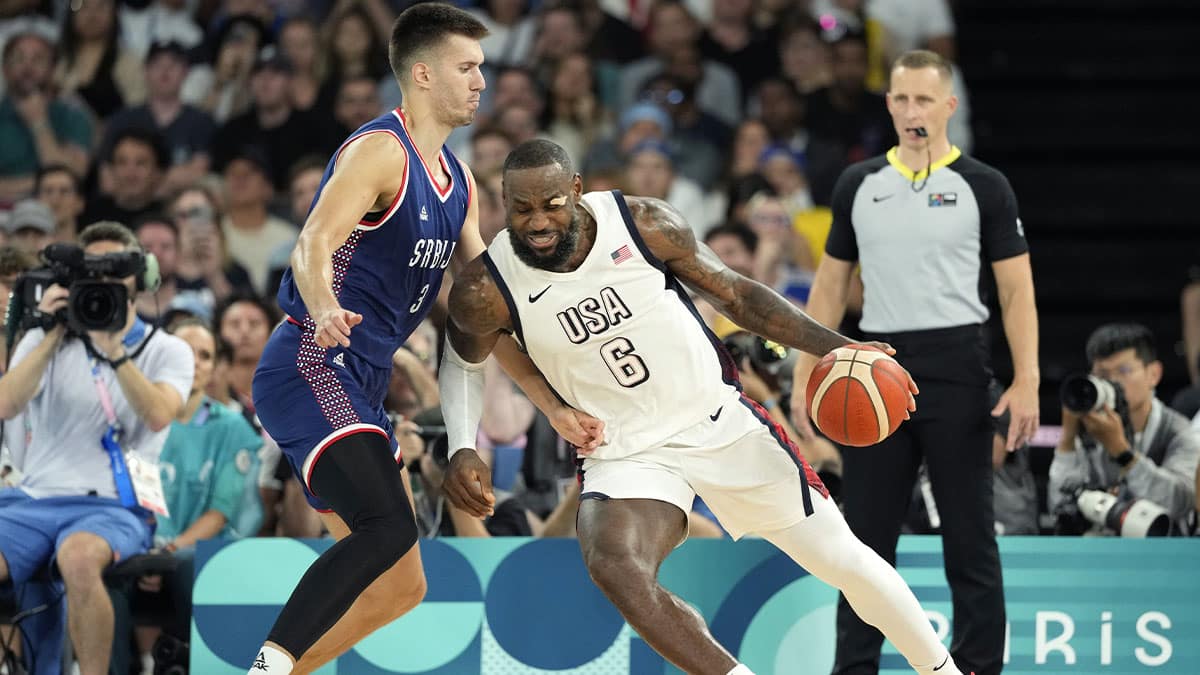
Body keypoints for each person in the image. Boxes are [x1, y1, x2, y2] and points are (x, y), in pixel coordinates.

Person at [439, 138, 965, 675]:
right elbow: (463, 361)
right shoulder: (487, 285)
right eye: (521, 208)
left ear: (576, 190)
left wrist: (839, 347)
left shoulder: (642, 223)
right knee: (614, 566)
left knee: (842, 560)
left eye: (551, 203)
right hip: (625, 448)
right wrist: (462, 445)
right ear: (503, 201)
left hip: (717, 421)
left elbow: (738, 295)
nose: (537, 221)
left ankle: (943, 671)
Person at [245, 6, 599, 673]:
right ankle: (269, 664)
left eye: (484, 69)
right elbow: (314, 240)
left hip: (364, 380)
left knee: (404, 585)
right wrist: (323, 303)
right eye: (468, 68)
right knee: (390, 527)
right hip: (313, 358)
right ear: (423, 73)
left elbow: (483, 311)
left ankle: (284, 668)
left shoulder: (460, 184)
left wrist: (554, 403)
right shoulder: (380, 150)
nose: (481, 83)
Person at [791, 50, 1039, 675]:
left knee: (970, 538)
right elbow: (827, 288)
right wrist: (803, 369)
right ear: (889, 106)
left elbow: (1015, 290)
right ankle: (854, 670)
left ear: (948, 106)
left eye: (923, 99)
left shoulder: (984, 184)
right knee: (863, 545)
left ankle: (978, 667)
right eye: (900, 99)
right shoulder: (859, 183)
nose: (911, 111)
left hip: (959, 363)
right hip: (875, 367)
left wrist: (1029, 377)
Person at [0, 222, 193, 675]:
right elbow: (6, 403)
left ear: (139, 278)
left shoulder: (166, 349)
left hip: (113, 506)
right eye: (91, 270)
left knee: (79, 558)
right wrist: (51, 332)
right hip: (33, 498)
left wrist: (115, 353)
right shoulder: (42, 337)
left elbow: (160, 413)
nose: (102, 281)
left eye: (113, 269)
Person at [1049, 323, 1200, 535]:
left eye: (1124, 371)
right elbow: (1058, 505)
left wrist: (1122, 453)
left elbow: (1180, 503)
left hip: (1163, 554)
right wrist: (1067, 439)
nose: (1112, 382)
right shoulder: (1091, 426)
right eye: (1102, 374)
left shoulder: (1177, 431)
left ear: (1153, 374)